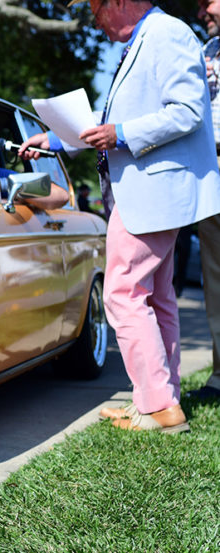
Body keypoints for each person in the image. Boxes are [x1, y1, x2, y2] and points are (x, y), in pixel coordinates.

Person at [19, 0, 220, 432]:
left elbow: (187, 111)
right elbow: (111, 123)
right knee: (156, 296)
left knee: (122, 294)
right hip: (151, 195)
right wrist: (55, 140)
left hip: (152, 194)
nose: (93, 19)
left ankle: (158, 408)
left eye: (94, 6)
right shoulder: (148, 39)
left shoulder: (167, 34)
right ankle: (163, 398)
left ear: (121, 2)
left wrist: (120, 134)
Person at [189, 0, 220, 399]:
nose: (201, 14)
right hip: (210, 168)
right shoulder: (205, 51)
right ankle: (219, 376)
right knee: (215, 275)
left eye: (207, 2)